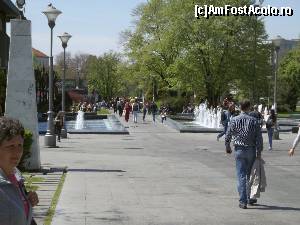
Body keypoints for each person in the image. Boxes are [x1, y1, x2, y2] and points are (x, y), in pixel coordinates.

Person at [0, 117, 39, 225]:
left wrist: (26, 202)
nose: (17, 152)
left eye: (20, 145)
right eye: (11, 146)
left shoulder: (16, 177)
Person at [225, 100, 263, 209]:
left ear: (240, 107)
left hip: (239, 150)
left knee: (241, 176)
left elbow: (228, 135)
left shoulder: (234, 120)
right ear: (249, 107)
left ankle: (243, 200)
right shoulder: (254, 121)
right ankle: (248, 198)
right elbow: (259, 138)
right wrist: (259, 151)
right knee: (249, 175)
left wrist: (227, 147)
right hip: (251, 150)